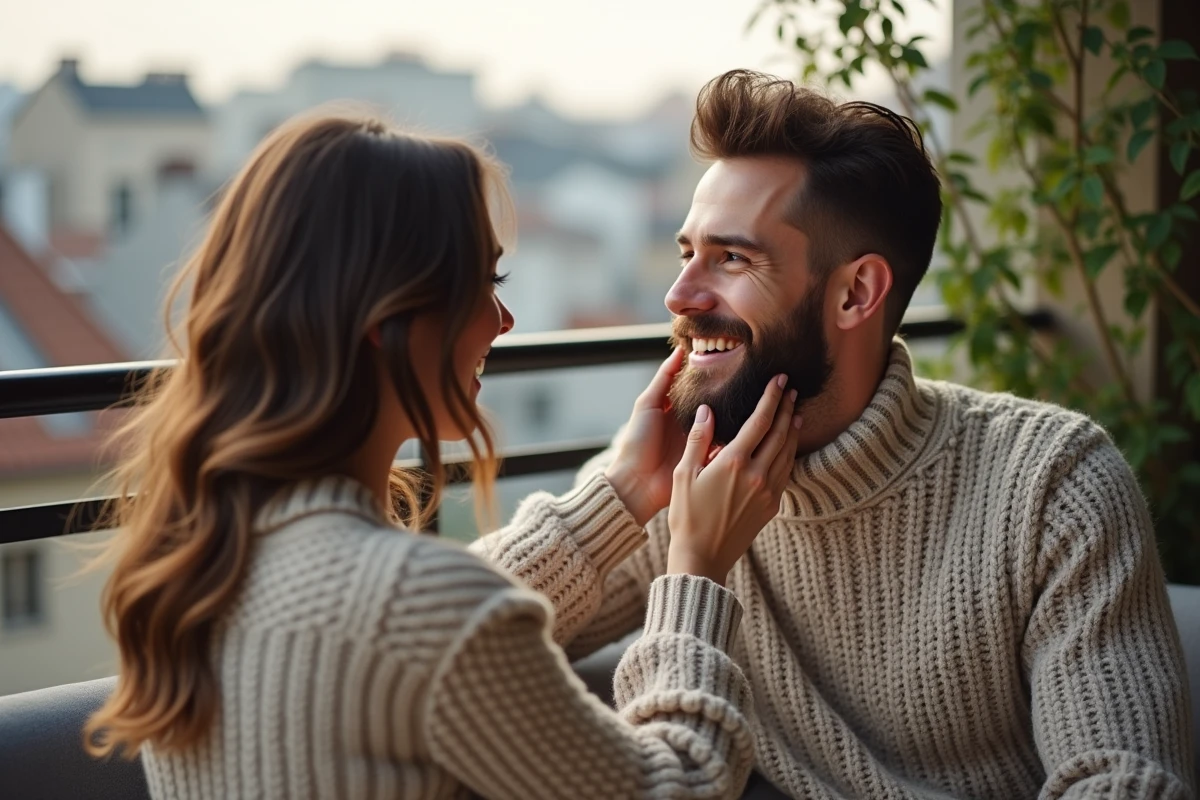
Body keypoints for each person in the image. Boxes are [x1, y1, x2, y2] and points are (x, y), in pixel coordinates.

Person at [482, 70, 1195, 798]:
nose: (679, 294)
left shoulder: (1051, 484)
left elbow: (1125, 781)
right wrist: (624, 494)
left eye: (732, 259)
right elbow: (441, 639)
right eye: (685, 251)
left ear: (856, 292)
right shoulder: (687, 481)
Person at [82, 111, 808, 799]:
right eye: (486, 282)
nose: (503, 319)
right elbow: (676, 785)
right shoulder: (411, 601)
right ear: (388, 316)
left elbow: (421, 631)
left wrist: (622, 494)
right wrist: (695, 572)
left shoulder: (198, 555)